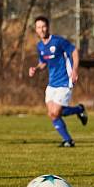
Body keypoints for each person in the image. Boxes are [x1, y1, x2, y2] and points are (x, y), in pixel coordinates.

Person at [28, 16, 87, 147]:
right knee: (52, 114)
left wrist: (75, 70)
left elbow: (75, 52)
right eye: (38, 27)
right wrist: (36, 69)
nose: (41, 29)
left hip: (65, 81)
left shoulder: (58, 41)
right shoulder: (40, 46)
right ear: (36, 30)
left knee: (55, 112)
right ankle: (69, 138)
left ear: (48, 27)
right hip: (52, 83)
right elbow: (43, 62)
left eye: (43, 26)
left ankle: (77, 114)